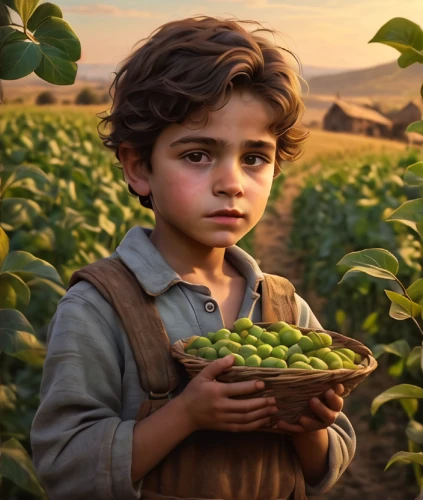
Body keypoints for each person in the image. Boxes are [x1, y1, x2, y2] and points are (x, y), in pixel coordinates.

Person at [30, 15, 356, 500]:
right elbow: (63, 467)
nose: (232, 183)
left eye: (254, 157)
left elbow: (326, 466)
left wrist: (308, 426)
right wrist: (185, 415)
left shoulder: (285, 307)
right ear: (139, 168)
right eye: (198, 155)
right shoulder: (98, 308)